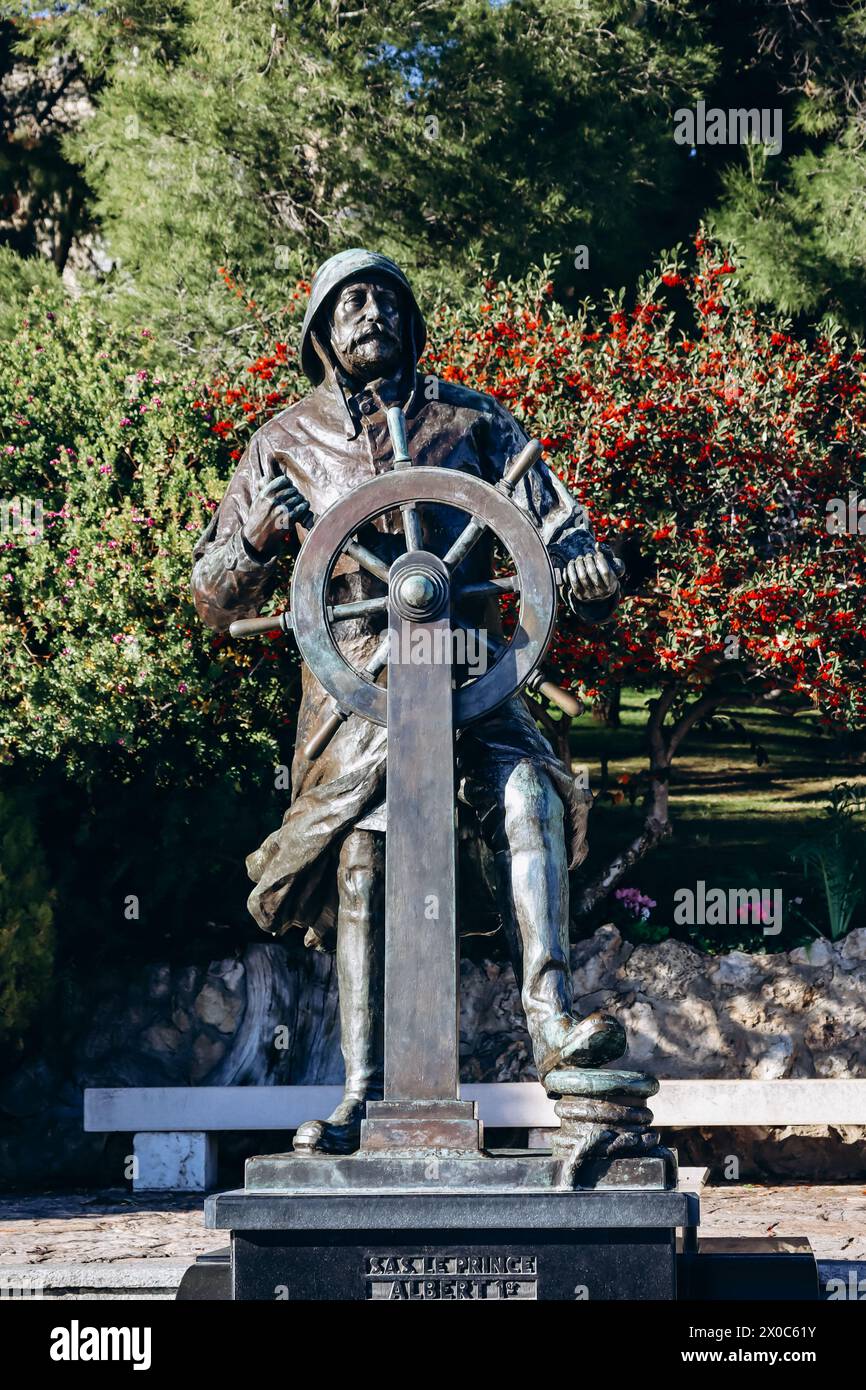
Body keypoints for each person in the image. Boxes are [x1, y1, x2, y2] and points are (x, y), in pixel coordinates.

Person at [192, 249, 626, 1152]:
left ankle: (552, 1024)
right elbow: (211, 599)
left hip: (472, 683)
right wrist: (260, 542)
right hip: (356, 700)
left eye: (386, 297)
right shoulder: (282, 442)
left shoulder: (473, 419)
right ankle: (363, 1095)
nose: (370, 310)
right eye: (349, 299)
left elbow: (562, 528)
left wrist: (585, 563)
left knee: (528, 797)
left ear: (412, 319)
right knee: (364, 860)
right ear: (319, 330)